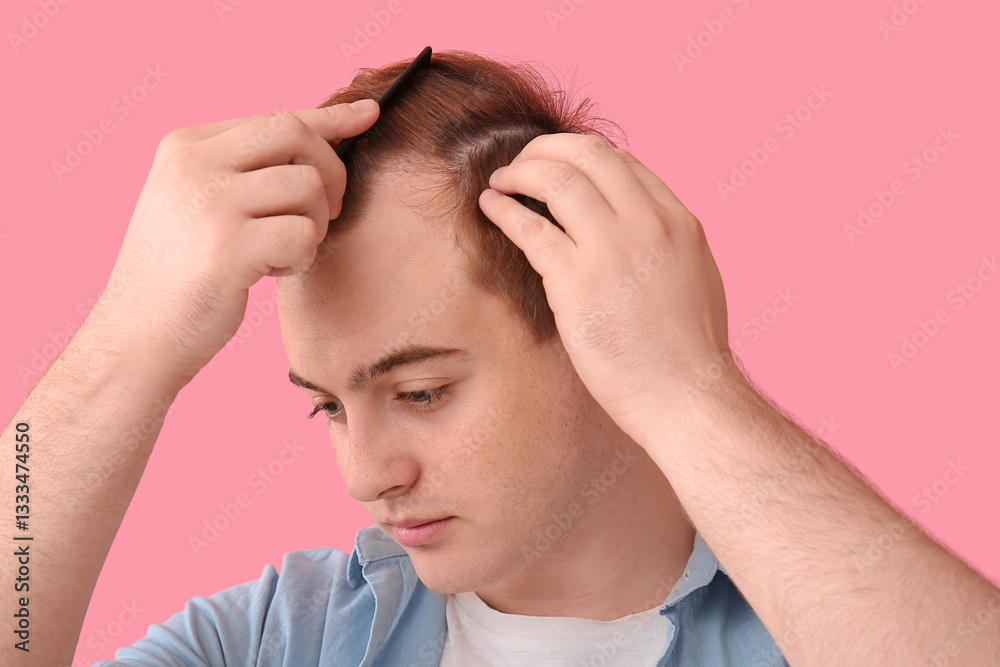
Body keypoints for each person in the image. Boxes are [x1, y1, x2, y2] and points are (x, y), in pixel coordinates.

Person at [2, 49, 997, 667]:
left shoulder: (823, 628)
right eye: (329, 406)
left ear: (588, 326)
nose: (365, 474)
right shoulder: (281, 639)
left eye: (421, 391)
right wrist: (123, 346)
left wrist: (690, 386)